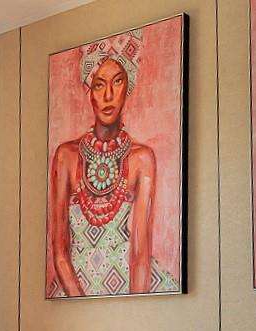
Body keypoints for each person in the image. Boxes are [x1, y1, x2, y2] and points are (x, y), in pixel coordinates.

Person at [48, 30, 180, 297]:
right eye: (99, 84)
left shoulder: (142, 159)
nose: (108, 95)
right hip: (73, 297)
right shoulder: (66, 156)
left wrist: (133, 309)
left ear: (127, 87)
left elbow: (140, 254)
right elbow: (60, 251)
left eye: (117, 82)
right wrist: (82, 305)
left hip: (131, 292)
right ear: (90, 91)